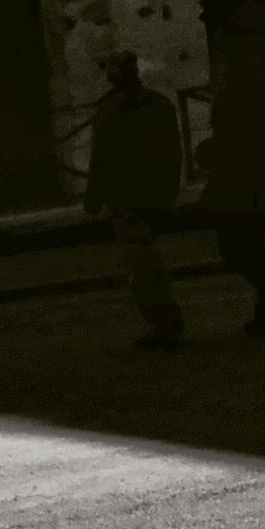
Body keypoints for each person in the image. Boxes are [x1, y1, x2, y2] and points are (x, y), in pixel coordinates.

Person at [82, 51, 188, 349]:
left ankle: (163, 322)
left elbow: (100, 156)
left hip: (127, 195)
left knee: (141, 263)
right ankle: (163, 320)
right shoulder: (156, 104)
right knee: (145, 260)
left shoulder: (110, 108)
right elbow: (172, 152)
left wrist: (94, 195)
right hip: (145, 193)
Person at [193, 80, 265, 336]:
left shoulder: (235, 116)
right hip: (255, 191)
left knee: (235, 249)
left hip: (235, 194)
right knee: (251, 248)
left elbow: (223, 149)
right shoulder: (256, 115)